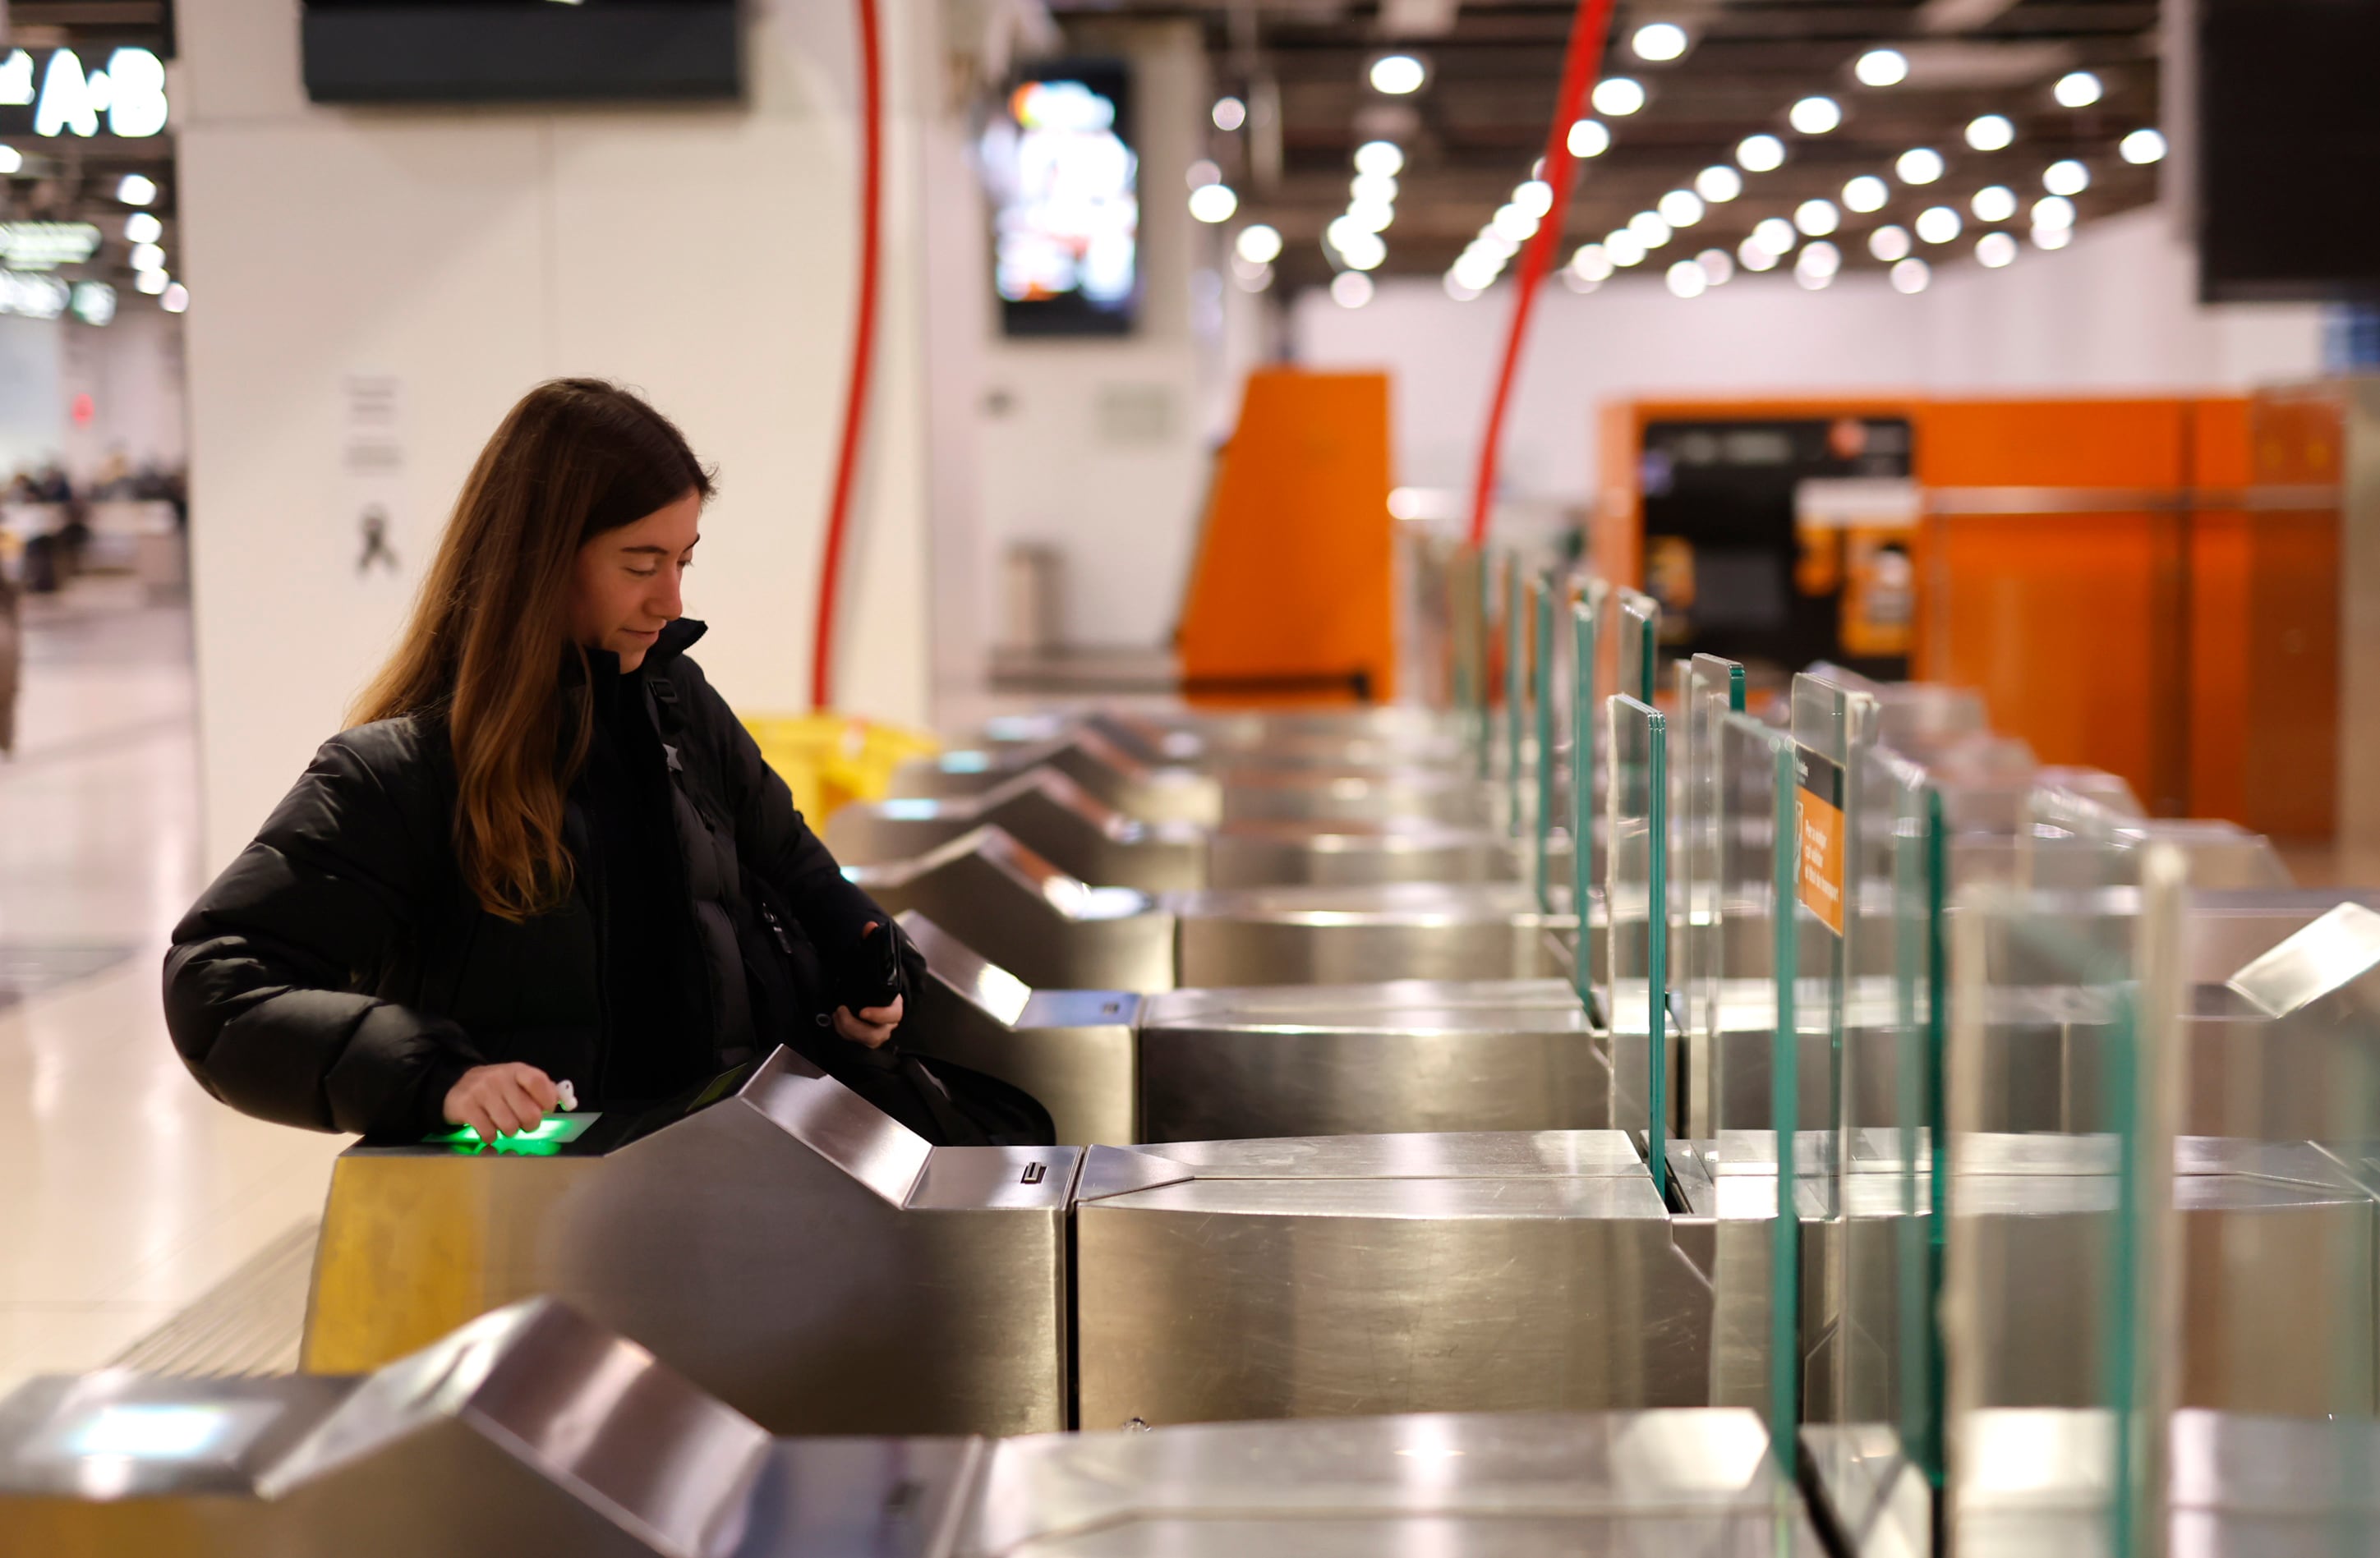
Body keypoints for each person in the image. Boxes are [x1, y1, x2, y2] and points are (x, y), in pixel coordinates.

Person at [163, 379, 918, 1144]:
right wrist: (440, 1078)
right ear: (544, 562)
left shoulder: (680, 707)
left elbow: (793, 865)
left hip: (725, 1171)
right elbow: (216, 985)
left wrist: (863, 953)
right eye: (640, 563)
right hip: (541, 1220)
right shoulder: (398, 774)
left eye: (683, 560)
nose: (670, 600)